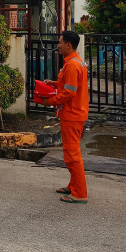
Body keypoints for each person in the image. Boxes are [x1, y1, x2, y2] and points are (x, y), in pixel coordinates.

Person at [39, 30, 89, 203]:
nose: (58, 45)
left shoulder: (73, 65)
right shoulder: (73, 62)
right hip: (73, 114)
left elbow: (69, 92)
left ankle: (80, 193)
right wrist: (54, 83)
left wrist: (49, 101)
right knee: (71, 152)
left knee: (72, 154)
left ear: (68, 44)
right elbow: (69, 84)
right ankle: (73, 186)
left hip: (72, 114)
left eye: (60, 42)